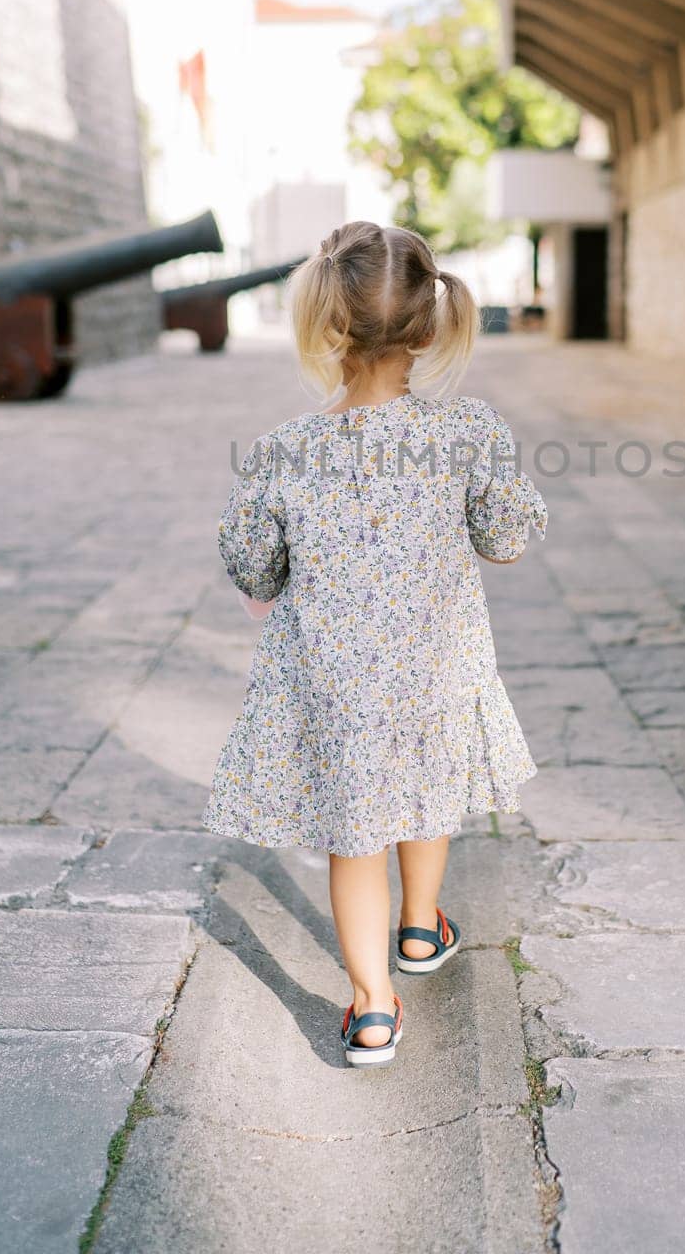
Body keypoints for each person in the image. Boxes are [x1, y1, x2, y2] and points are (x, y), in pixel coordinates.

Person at [202, 221, 547, 1067]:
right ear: (429, 326)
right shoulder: (467, 430)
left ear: (326, 324)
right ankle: (421, 931)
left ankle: (371, 1008)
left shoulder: (286, 449)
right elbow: (505, 537)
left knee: (353, 838)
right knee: (427, 802)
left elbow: (251, 560)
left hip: (333, 683)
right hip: (433, 673)